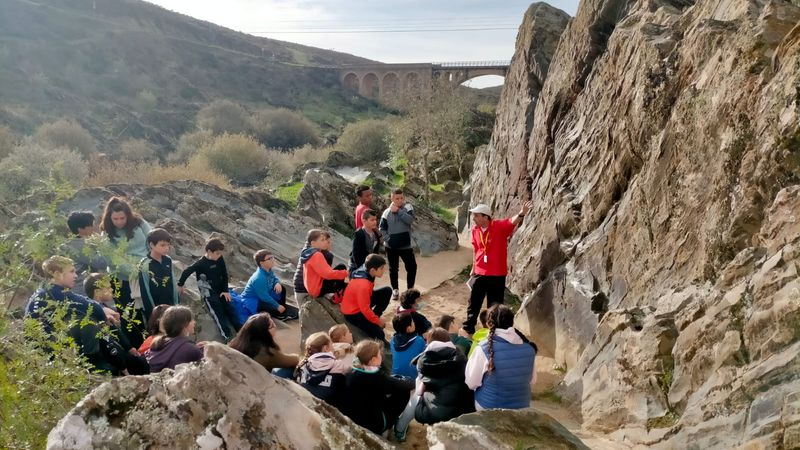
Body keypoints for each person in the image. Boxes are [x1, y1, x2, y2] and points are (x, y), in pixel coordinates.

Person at [25, 256, 128, 375]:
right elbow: (92, 307)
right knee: (89, 321)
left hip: (44, 348)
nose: (76, 275)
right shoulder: (55, 293)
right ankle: (99, 367)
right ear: (57, 274)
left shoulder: (45, 290)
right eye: (71, 271)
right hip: (49, 352)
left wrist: (103, 309)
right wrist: (103, 314)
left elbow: (83, 301)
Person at [460, 201, 532, 336]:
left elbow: (512, 222)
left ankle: (493, 328)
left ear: (485, 217)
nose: (473, 218)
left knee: (495, 303)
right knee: (474, 300)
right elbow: (476, 249)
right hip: (479, 271)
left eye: (476, 216)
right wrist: (474, 266)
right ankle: (469, 326)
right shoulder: (475, 230)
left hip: (497, 273)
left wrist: (522, 213)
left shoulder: (499, 226)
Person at [394, 328, 474, 441]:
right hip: (464, 410)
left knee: (417, 394)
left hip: (435, 414)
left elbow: (419, 390)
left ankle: (399, 429)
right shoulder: (461, 358)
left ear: (429, 343)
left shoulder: (424, 361)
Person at [100, 196, 151, 348]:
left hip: (144, 272)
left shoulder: (139, 223)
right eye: (115, 219)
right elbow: (111, 259)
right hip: (122, 279)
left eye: (122, 218)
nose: (119, 222)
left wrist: (146, 265)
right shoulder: (106, 233)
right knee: (129, 317)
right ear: (110, 218)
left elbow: (151, 241)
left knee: (149, 311)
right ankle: (137, 349)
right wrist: (134, 271)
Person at [465, 304, 537, 410]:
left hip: (490, 407)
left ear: (489, 324)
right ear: (512, 322)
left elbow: (471, 383)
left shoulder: (483, 348)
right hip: (522, 407)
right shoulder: (529, 348)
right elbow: (532, 380)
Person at [341, 340, 414, 436]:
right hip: (374, 422)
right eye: (380, 355)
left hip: (356, 417)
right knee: (403, 392)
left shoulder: (350, 370)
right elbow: (401, 385)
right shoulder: (375, 376)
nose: (382, 356)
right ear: (373, 360)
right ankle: (389, 427)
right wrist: (414, 383)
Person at [84, 272, 150, 375]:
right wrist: (123, 367)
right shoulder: (98, 314)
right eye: (108, 287)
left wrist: (129, 347)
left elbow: (116, 331)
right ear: (97, 292)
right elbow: (107, 343)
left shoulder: (102, 308)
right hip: (112, 360)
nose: (112, 290)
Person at [177, 237, 241, 340]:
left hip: (221, 290)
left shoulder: (219, 259)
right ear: (209, 251)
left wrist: (225, 290)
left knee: (230, 308)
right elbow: (187, 271)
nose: (219, 256)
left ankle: (241, 331)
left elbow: (224, 275)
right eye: (217, 253)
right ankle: (227, 336)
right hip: (208, 293)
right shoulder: (200, 263)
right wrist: (180, 284)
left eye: (220, 253)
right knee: (218, 312)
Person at [340, 254, 393, 343]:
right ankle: (373, 321)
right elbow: (365, 309)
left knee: (387, 291)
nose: (384, 271)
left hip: (359, 302)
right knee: (380, 335)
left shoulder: (366, 270)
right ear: (373, 270)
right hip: (353, 313)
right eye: (381, 268)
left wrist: (375, 318)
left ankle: (375, 316)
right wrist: (379, 322)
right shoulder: (364, 285)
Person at [229, 313, 300, 379]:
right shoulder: (267, 352)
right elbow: (295, 360)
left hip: (235, 380)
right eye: (272, 326)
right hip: (254, 386)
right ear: (263, 332)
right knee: (287, 369)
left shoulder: (234, 343)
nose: (275, 327)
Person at [295, 332, 351, 408]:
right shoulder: (339, 365)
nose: (333, 348)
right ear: (325, 348)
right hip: (329, 409)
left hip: (305, 406)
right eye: (332, 345)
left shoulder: (301, 365)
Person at [240, 250, 298, 322]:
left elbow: (274, 277)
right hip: (255, 301)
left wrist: (277, 283)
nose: (273, 260)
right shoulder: (259, 278)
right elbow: (264, 297)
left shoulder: (268, 270)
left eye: (272, 257)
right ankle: (278, 313)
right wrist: (277, 306)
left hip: (265, 294)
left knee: (282, 289)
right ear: (261, 263)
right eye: (269, 259)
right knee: (272, 308)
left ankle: (281, 309)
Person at [379, 189, 416, 300]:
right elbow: (382, 228)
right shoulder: (386, 212)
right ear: (392, 199)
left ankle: (410, 291)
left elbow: (409, 220)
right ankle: (395, 290)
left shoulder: (408, 208)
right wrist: (388, 239)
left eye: (401, 198)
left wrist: (398, 211)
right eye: (397, 198)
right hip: (391, 247)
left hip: (406, 245)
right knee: (393, 269)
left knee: (412, 267)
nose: (400, 200)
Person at [294, 229, 348, 303]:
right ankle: (337, 296)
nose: (326, 242)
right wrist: (346, 273)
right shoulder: (316, 255)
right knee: (342, 269)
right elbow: (328, 274)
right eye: (322, 240)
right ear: (313, 243)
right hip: (316, 290)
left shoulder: (308, 253)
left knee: (341, 271)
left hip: (311, 288)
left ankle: (338, 293)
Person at [145, 305, 203, 373]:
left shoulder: (157, 344)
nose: (194, 322)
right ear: (184, 324)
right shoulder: (190, 349)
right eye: (191, 320)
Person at [138, 228, 179, 323]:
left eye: (168, 245)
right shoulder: (145, 264)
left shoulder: (167, 260)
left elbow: (172, 282)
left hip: (170, 305)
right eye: (162, 245)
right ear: (151, 245)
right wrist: (153, 313)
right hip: (157, 308)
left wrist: (176, 304)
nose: (166, 248)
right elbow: (145, 291)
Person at [65, 211, 108, 296]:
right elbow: (101, 263)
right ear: (80, 229)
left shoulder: (73, 243)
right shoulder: (80, 246)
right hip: (82, 289)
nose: (93, 227)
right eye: (90, 225)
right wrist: (104, 245)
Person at [389, 312, 426, 378]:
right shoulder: (419, 340)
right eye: (412, 322)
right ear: (408, 328)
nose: (414, 323)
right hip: (413, 378)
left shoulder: (392, 340)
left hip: (395, 376)